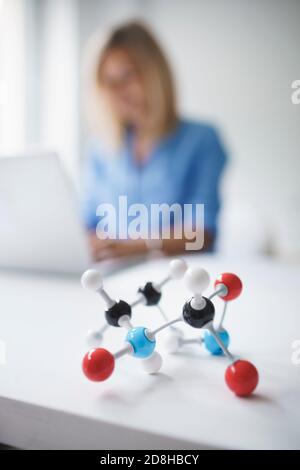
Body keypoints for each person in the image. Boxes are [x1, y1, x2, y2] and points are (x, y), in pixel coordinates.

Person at [82, 20, 227, 261]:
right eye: (109, 81)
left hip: (177, 274)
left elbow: (201, 234)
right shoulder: (99, 149)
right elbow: (87, 222)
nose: (119, 90)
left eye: (128, 75)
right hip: (111, 272)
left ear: (154, 73)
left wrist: (134, 246)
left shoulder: (201, 140)